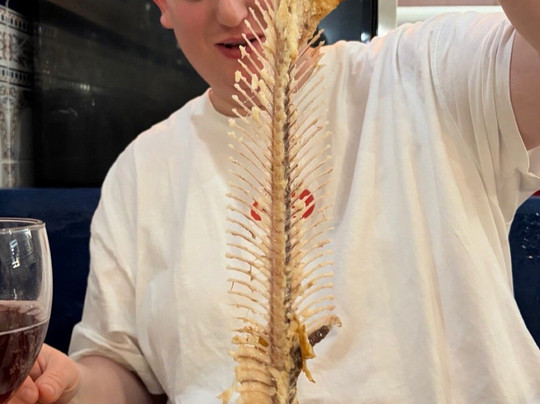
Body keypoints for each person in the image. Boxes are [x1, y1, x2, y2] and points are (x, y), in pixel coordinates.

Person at [9, 0, 540, 403]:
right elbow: (123, 369)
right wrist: (69, 386)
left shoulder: (431, 72)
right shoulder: (140, 170)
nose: (232, 12)